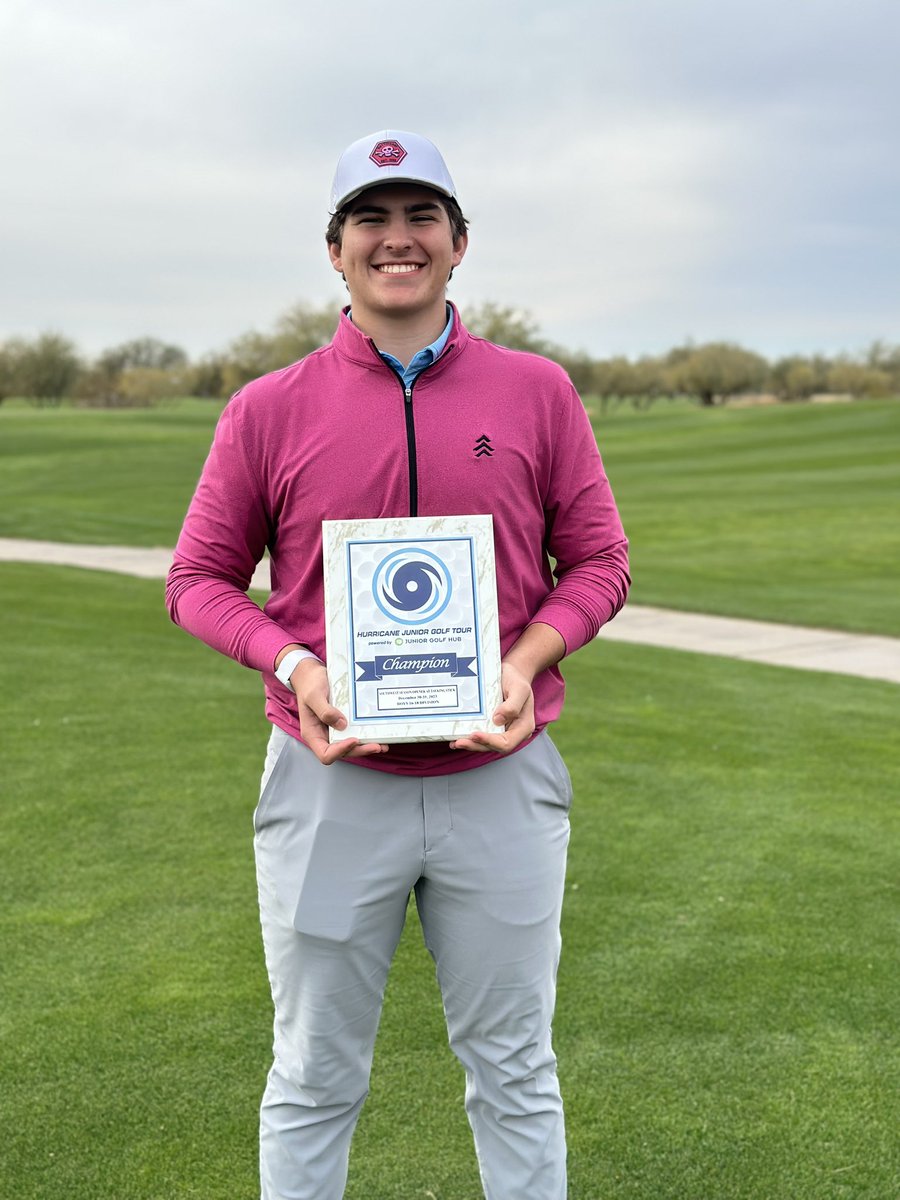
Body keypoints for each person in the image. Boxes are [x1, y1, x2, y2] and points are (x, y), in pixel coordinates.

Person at [166, 129, 630, 1200]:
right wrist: (294, 666)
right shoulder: (268, 408)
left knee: (514, 1068)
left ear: (460, 244)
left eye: (422, 216)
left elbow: (600, 561)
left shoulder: (538, 391)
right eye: (371, 218)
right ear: (336, 251)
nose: (398, 239)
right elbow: (197, 579)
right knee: (315, 1072)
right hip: (331, 784)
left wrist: (530, 658)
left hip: (500, 779)